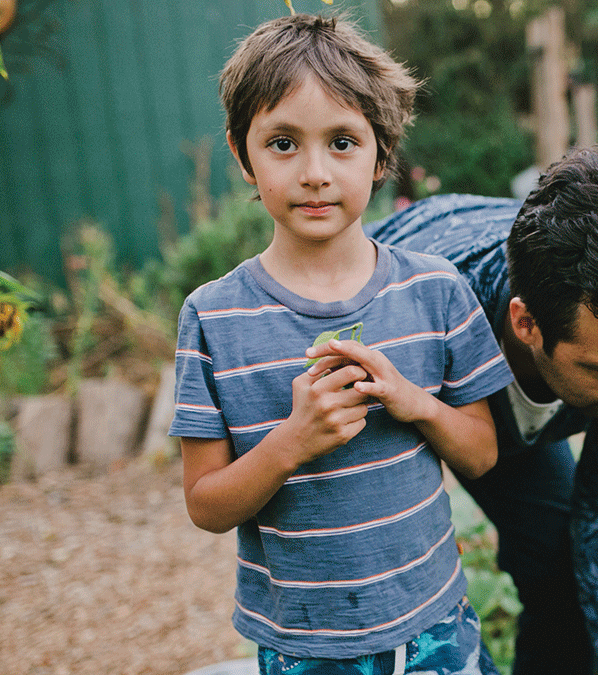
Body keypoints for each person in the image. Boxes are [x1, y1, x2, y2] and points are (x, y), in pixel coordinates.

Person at [168, 14, 515, 675]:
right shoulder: (214, 318)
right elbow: (206, 503)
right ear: (243, 155)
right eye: (283, 143)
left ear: (383, 155)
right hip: (306, 647)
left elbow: (483, 453)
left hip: (435, 626)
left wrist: (419, 404)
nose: (316, 172)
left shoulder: (435, 291)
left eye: (343, 142)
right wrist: (291, 441)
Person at [365, 145, 598, 675]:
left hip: (506, 403)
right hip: (407, 385)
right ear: (527, 325)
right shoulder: (417, 313)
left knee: (563, 560)